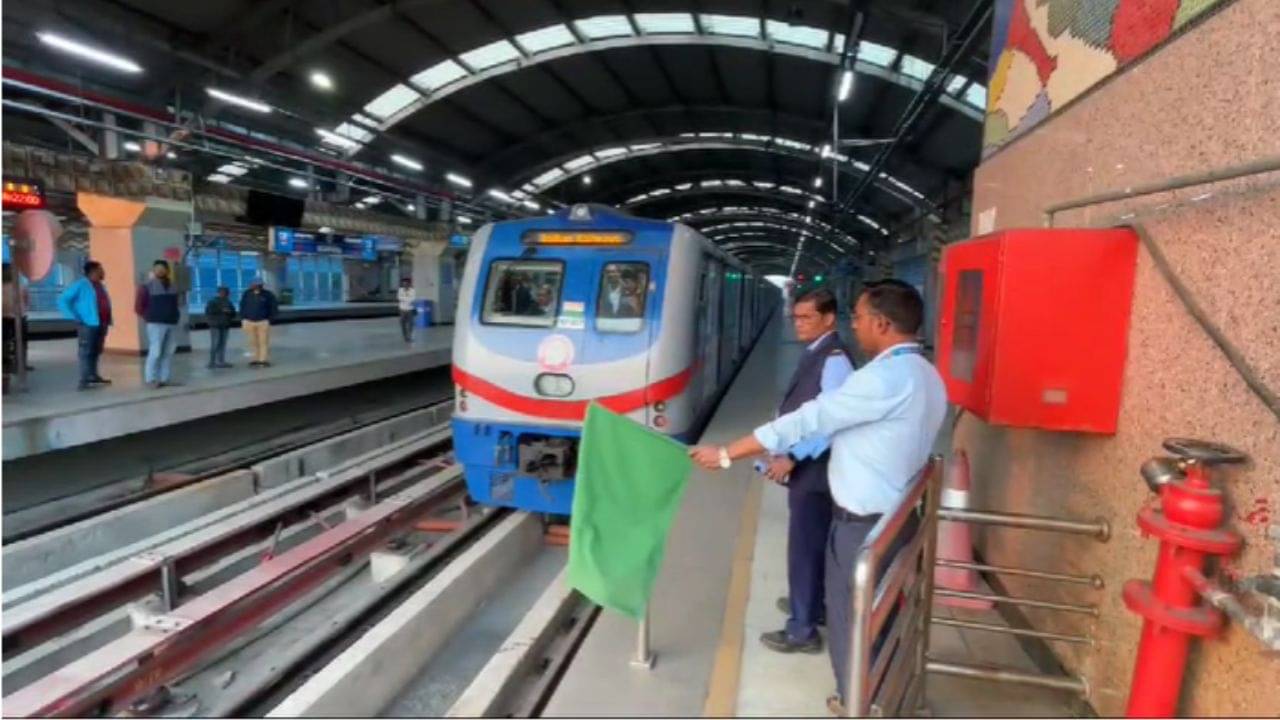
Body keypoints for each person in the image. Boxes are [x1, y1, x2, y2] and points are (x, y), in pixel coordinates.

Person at [691, 280, 947, 715]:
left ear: (883, 323)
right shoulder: (925, 372)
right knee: (877, 616)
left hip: (864, 526)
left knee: (854, 621)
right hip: (892, 517)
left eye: (860, 317)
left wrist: (727, 453)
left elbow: (812, 419)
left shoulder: (881, 378)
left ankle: (857, 702)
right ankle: (879, 694)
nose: (856, 325)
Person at [758, 288, 855, 654]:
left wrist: (793, 457)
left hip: (815, 474)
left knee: (804, 548)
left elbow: (829, 423)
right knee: (810, 546)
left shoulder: (834, 360)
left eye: (806, 318)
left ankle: (802, 630)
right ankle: (811, 607)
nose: (798, 324)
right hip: (811, 471)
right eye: (795, 317)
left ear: (829, 319)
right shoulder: (819, 352)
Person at [56, 260, 113, 391]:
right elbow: (63, 299)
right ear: (93, 271)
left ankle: (93, 375)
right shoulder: (81, 284)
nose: (103, 272)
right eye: (100, 269)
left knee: (96, 351)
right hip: (87, 324)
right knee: (86, 351)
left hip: (101, 323)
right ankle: (84, 379)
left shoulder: (99, 285)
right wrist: (74, 316)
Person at [135, 259, 182, 389]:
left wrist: (175, 316)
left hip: (171, 322)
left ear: (167, 270)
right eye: (157, 268)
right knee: (155, 352)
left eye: (162, 268)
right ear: (154, 270)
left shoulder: (173, 286)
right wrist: (149, 317)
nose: (160, 270)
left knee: (168, 352)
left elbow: (177, 303)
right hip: (155, 323)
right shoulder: (146, 286)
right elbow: (138, 307)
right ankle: (150, 379)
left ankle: (164, 379)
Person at [239, 278, 278, 367]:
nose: (256, 286)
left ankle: (263, 360)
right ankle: (255, 359)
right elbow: (242, 305)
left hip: (263, 322)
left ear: (261, 285)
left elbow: (273, 308)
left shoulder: (268, 295)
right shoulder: (247, 294)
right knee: (252, 342)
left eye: (258, 284)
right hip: (248, 321)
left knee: (263, 341)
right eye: (254, 284)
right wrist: (243, 318)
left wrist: (270, 319)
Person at [2, 265, 33, 373]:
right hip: (19, 316)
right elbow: (27, 300)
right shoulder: (20, 285)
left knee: (5, 342)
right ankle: (20, 364)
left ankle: (6, 364)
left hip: (4, 317)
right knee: (21, 342)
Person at [204, 286, 236, 369]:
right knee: (215, 343)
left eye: (225, 293)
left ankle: (220, 361)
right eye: (223, 292)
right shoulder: (212, 302)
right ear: (219, 293)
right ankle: (212, 362)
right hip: (215, 326)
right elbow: (209, 312)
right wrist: (223, 310)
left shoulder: (228, 302)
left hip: (225, 325)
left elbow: (233, 313)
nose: (224, 294)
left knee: (222, 344)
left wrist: (229, 312)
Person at [397, 278, 417, 343]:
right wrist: (407, 299)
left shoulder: (412, 291)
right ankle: (405, 337)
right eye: (403, 284)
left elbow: (412, 299)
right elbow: (399, 298)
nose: (405, 285)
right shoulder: (400, 290)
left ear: (409, 284)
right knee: (402, 324)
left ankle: (409, 336)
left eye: (406, 284)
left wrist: (404, 299)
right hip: (402, 309)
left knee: (410, 324)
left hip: (410, 309)